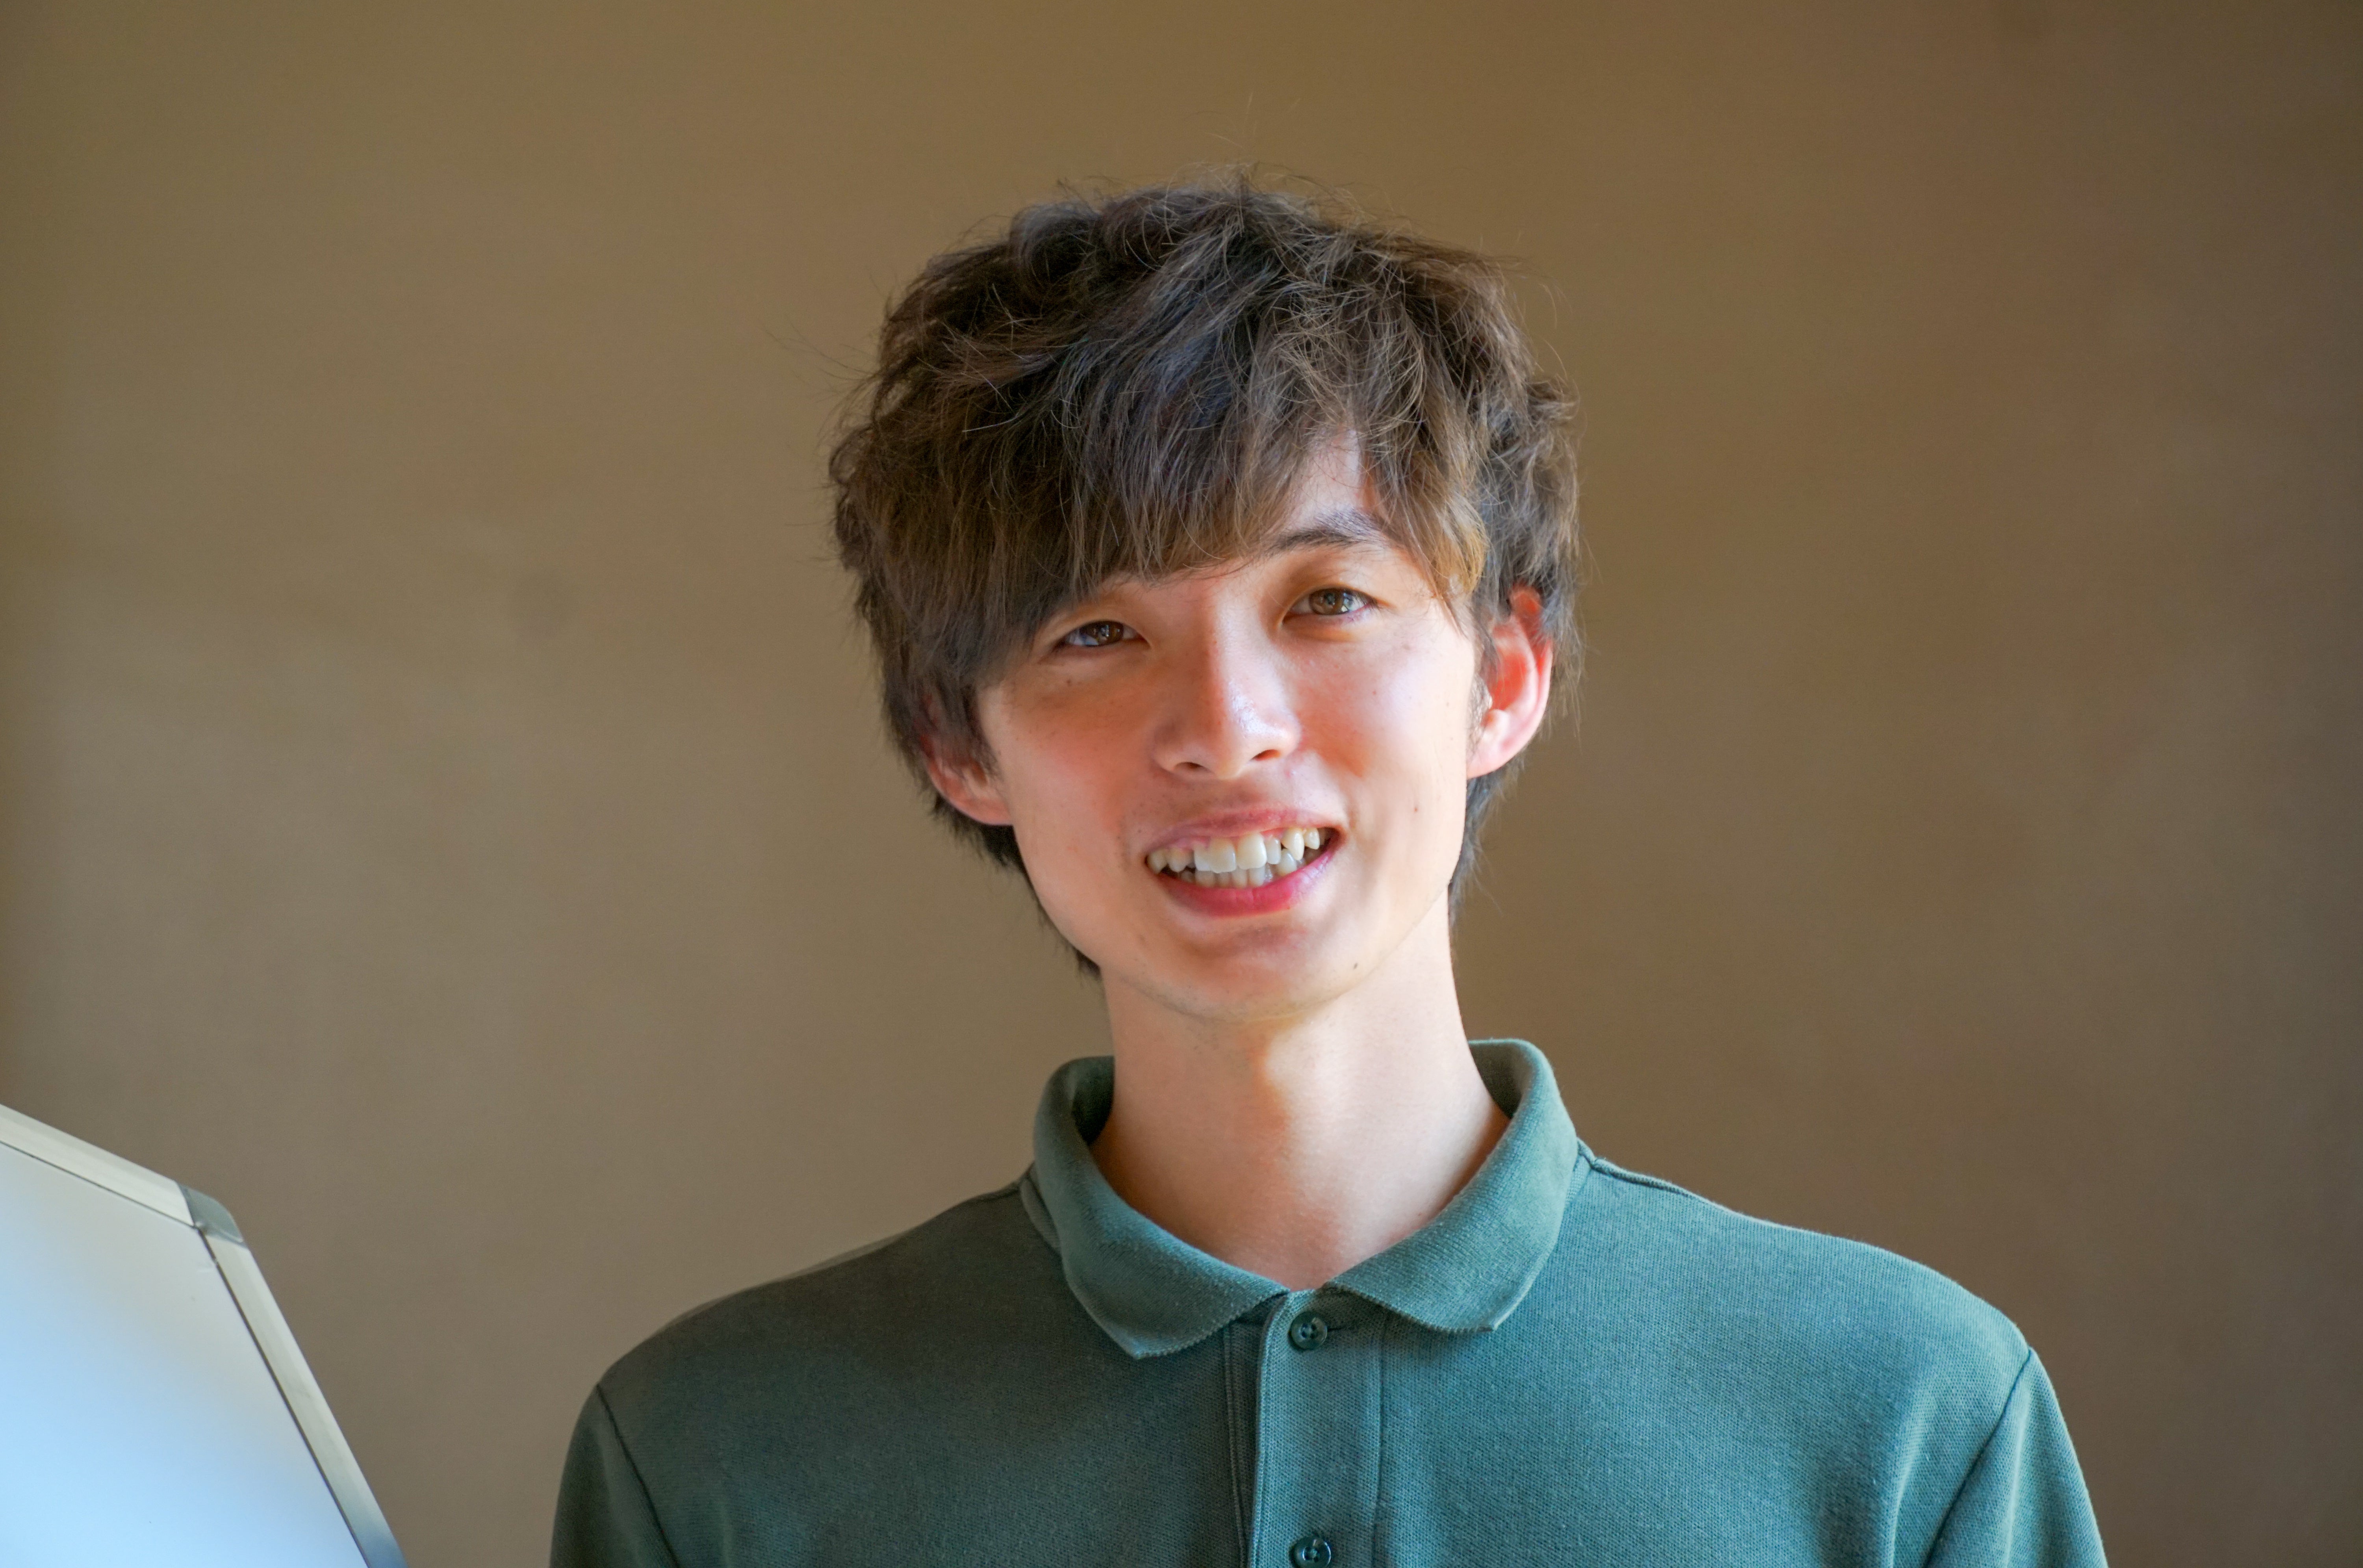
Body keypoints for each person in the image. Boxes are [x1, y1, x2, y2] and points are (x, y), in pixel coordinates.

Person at [551, 178, 2105, 1567]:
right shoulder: (711, 1464)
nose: (1228, 729)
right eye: (1098, 631)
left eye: (1329, 601)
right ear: (959, 744)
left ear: (1505, 675)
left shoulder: (1907, 1418)